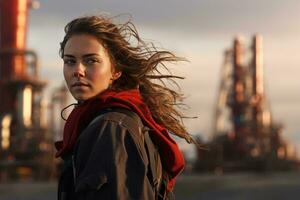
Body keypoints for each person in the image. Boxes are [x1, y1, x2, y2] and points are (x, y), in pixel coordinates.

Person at [55, 15, 195, 200]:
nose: (77, 71)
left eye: (91, 61)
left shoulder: (111, 128)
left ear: (116, 70)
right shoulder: (115, 119)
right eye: (70, 61)